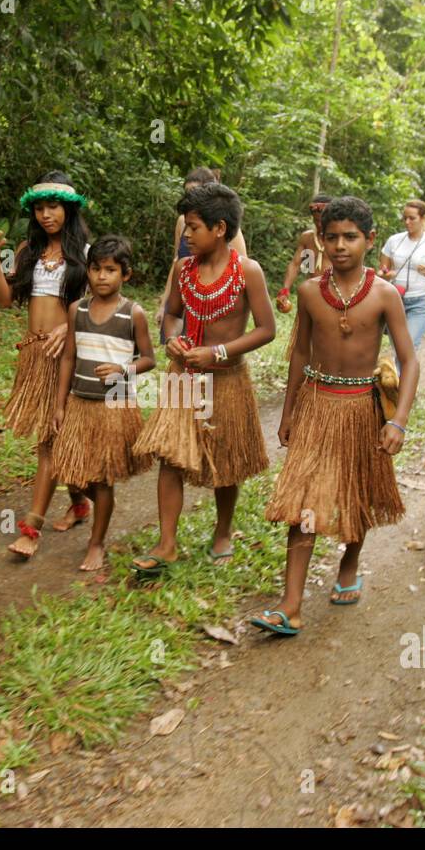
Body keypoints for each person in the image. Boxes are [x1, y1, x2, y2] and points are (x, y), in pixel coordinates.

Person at [253, 197, 419, 636]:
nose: (340, 245)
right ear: (320, 241)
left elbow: (410, 360)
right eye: (332, 237)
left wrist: (397, 421)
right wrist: (288, 412)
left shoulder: (384, 295)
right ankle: (291, 604)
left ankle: (350, 560)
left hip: (363, 408)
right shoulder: (310, 292)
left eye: (350, 237)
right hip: (316, 406)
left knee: (357, 490)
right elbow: (300, 354)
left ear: (369, 240)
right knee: (303, 501)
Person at [132, 183, 274, 578]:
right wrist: (175, 339)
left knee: (226, 461)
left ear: (220, 228)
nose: (186, 236)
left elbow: (267, 329)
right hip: (184, 378)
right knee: (170, 456)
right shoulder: (184, 269)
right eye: (185, 228)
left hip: (226, 379)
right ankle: (167, 543)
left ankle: (223, 532)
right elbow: (174, 314)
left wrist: (219, 352)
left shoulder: (248, 271)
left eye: (193, 227)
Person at [0, 172, 92, 557]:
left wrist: (70, 324)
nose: (47, 214)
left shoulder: (87, 254)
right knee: (52, 435)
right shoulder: (26, 250)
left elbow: (103, 305)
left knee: (49, 440)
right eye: (41, 208)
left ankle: (31, 528)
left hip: (67, 355)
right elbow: (3, 298)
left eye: (54, 207)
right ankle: (81, 502)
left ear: (69, 210)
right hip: (35, 355)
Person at [52, 236, 156, 571]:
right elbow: (68, 357)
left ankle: (96, 544)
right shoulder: (77, 310)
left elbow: (149, 359)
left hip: (114, 405)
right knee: (73, 472)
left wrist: (123, 369)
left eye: (110, 270)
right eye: (96, 269)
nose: (101, 276)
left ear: (125, 274)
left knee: (102, 478)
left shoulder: (132, 314)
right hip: (80, 402)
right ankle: (93, 507)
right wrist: (59, 403)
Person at [155, 167, 248, 334]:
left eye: (195, 192)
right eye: (187, 193)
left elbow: (240, 274)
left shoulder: (229, 234)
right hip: (184, 296)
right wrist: (165, 303)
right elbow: (176, 260)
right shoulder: (182, 224)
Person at [378, 199, 425, 354]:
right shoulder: (394, 241)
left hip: (421, 302)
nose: (407, 222)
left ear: (423, 219)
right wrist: (386, 275)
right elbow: (382, 272)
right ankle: (402, 377)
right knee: (397, 346)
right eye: (405, 218)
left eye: (412, 218)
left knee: (408, 346)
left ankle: (403, 378)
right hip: (395, 300)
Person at [278, 194, 333, 312]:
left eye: (322, 221)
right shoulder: (307, 238)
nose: (319, 224)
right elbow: (295, 264)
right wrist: (285, 290)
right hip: (311, 295)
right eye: (316, 220)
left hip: (335, 296)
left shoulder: (338, 240)